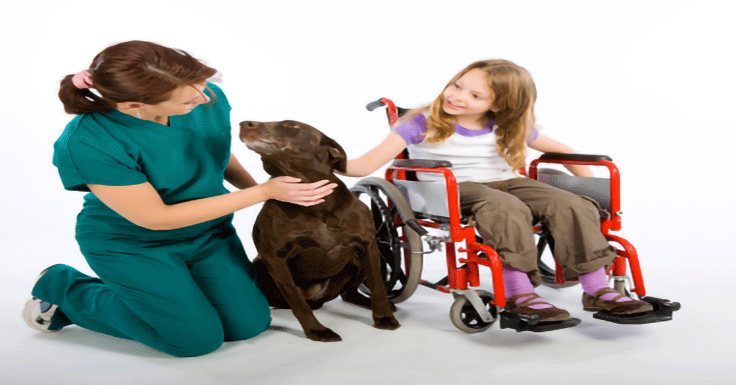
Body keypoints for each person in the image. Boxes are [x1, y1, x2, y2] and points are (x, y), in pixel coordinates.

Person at [22, 40, 336, 356]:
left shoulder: (205, 97)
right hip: (134, 244)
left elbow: (214, 151)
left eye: (201, 85)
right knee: (194, 340)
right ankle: (64, 288)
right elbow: (156, 218)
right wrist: (264, 191)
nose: (203, 97)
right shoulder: (89, 142)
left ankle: (174, 298)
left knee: (249, 325)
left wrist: (268, 192)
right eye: (188, 100)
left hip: (208, 234)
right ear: (134, 105)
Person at [343, 59, 653, 323]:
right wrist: (319, 162)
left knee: (571, 204)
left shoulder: (505, 124)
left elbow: (565, 151)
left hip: (507, 183)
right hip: (452, 188)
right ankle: (520, 295)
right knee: (505, 206)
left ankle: (598, 290)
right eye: (457, 85)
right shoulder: (423, 121)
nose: (457, 96)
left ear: (500, 104)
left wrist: (586, 188)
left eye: (476, 95)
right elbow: (366, 163)